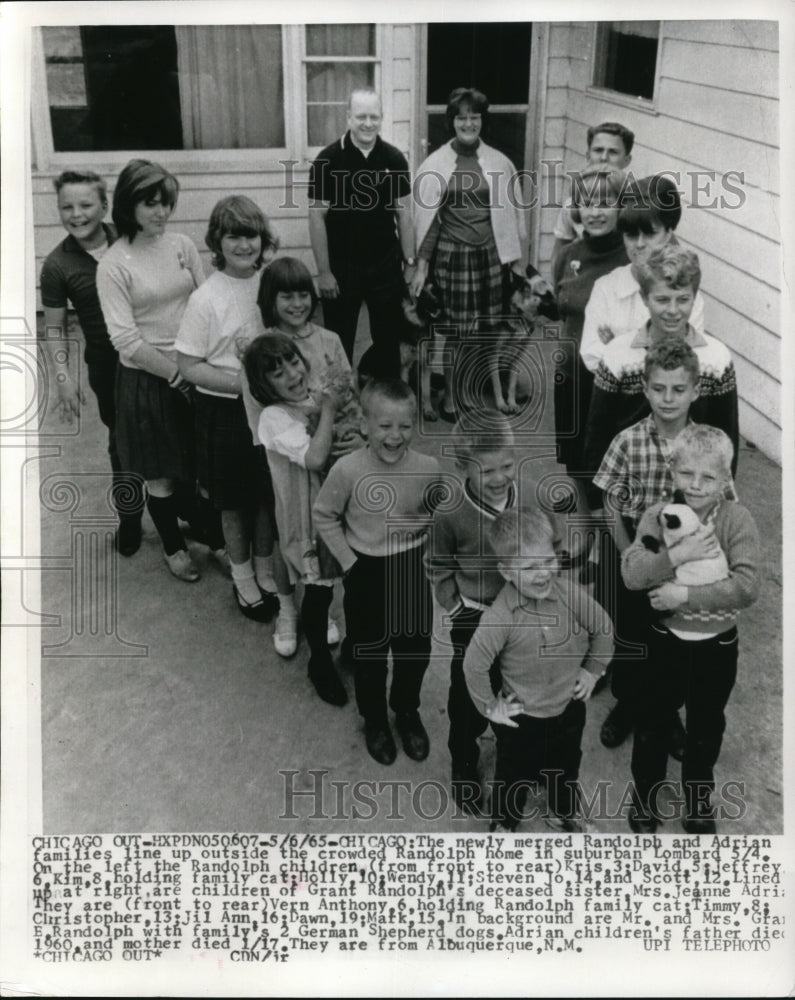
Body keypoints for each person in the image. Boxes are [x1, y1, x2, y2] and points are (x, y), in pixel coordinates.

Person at [622, 425, 760, 833]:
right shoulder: (657, 516)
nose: (696, 485)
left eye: (709, 477)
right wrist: (677, 554)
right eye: (687, 474)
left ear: (726, 477)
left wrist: (685, 597)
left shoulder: (737, 520)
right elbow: (632, 573)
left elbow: (748, 586)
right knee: (652, 721)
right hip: (665, 642)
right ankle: (645, 796)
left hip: (717, 646)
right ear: (673, 470)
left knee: (706, 725)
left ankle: (698, 800)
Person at [313, 379, 441, 766]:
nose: (395, 435)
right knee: (369, 656)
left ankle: (405, 710)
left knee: (414, 651)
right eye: (384, 426)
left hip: (410, 568)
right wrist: (348, 563)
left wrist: (433, 554)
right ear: (364, 425)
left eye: (405, 425)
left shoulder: (428, 468)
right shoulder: (347, 470)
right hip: (365, 568)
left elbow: (438, 516)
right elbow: (324, 514)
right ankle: (374, 720)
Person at [463, 507, 614, 832]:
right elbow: (474, 664)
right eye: (530, 567)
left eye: (548, 560)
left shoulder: (569, 595)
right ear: (506, 572)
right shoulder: (501, 616)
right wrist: (490, 705)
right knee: (513, 772)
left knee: (565, 766)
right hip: (522, 718)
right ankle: (504, 822)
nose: (544, 573)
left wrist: (592, 669)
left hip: (568, 706)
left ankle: (560, 811)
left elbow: (603, 626)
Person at [96, 159, 208, 582]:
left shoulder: (181, 244)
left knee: (193, 464)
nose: (161, 212)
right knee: (159, 472)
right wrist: (177, 375)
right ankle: (173, 546)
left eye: (166, 203)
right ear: (128, 204)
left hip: (194, 367)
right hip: (149, 379)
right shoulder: (114, 264)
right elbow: (125, 340)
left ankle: (197, 522)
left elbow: (204, 299)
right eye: (150, 203)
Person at [175, 195, 282, 621]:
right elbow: (188, 365)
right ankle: (242, 579)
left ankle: (264, 568)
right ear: (217, 242)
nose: (244, 245)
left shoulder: (269, 282)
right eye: (233, 236)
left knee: (266, 496)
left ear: (263, 238)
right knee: (235, 503)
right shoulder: (205, 298)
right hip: (225, 412)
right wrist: (241, 384)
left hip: (272, 410)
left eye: (251, 235)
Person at [39, 170, 144, 556]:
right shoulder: (57, 265)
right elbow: (54, 330)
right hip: (107, 366)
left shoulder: (130, 237)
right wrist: (64, 378)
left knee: (171, 434)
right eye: (66, 206)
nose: (76, 214)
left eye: (86, 205)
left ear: (104, 205)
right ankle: (130, 518)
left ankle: (188, 511)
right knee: (123, 443)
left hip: (150, 355)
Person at [242, 332, 348, 706]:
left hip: (341, 507)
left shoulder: (313, 395)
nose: (290, 373)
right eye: (276, 372)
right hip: (308, 520)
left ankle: (352, 648)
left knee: (351, 581)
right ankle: (319, 663)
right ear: (263, 386)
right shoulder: (273, 417)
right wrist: (331, 411)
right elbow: (315, 458)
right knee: (318, 591)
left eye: (292, 361)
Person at [411, 86, 526, 420]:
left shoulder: (499, 163)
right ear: (452, 122)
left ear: (481, 121)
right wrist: (421, 266)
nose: (468, 123)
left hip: (488, 256)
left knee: (477, 331)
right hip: (452, 257)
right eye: (461, 117)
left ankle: (463, 389)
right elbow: (428, 220)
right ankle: (448, 395)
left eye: (474, 117)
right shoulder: (435, 164)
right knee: (450, 331)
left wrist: (517, 263)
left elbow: (513, 216)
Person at [583, 244, 739, 484]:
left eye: (683, 299)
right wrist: (597, 504)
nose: (673, 311)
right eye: (663, 299)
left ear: (694, 298)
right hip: (629, 489)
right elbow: (598, 435)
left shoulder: (716, 358)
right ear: (645, 298)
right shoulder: (617, 355)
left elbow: (726, 439)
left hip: (694, 492)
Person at [425, 415, 516, 814]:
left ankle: (512, 750)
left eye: (506, 466)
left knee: (515, 685)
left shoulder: (527, 496)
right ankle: (463, 761)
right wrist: (455, 606)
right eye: (487, 470)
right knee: (466, 696)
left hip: (518, 613)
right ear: (463, 467)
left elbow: (547, 544)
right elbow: (438, 564)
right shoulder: (450, 511)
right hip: (474, 617)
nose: (499, 478)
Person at [308, 88, 415, 367]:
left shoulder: (394, 159)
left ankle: (383, 405)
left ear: (382, 119)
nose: (368, 123)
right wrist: (324, 272)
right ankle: (340, 406)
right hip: (343, 269)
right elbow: (317, 217)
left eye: (374, 116)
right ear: (348, 118)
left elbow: (405, 215)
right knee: (337, 343)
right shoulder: (328, 160)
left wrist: (410, 263)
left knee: (388, 341)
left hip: (385, 266)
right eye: (361, 116)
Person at [552, 163, 629, 512]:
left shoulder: (630, 255)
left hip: (611, 382)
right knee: (575, 463)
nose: (595, 211)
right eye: (587, 202)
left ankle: (606, 541)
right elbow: (559, 301)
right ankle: (582, 535)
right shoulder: (569, 255)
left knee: (606, 465)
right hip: (570, 375)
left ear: (621, 206)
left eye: (605, 202)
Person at [580, 174, 706, 374]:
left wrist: (616, 345)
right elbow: (592, 355)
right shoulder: (606, 288)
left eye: (649, 233)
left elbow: (686, 360)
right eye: (631, 235)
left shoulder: (685, 292)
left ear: (669, 231)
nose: (639, 244)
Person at [550, 121, 634, 273]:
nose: (604, 158)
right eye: (598, 150)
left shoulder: (637, 202)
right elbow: (559, 253)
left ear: (627, 160)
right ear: (588, 155)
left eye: (613, 152)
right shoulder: (573, 204)